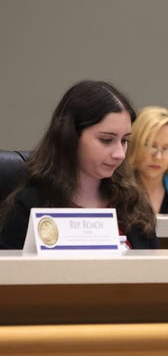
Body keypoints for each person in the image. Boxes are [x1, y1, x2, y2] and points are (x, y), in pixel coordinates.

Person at [0, 80, 158, 249]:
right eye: (106, 140)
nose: (119, 154)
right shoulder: (30, 205)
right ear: (71, 137)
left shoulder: (133, 204)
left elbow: (155, 272)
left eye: (125, 140)